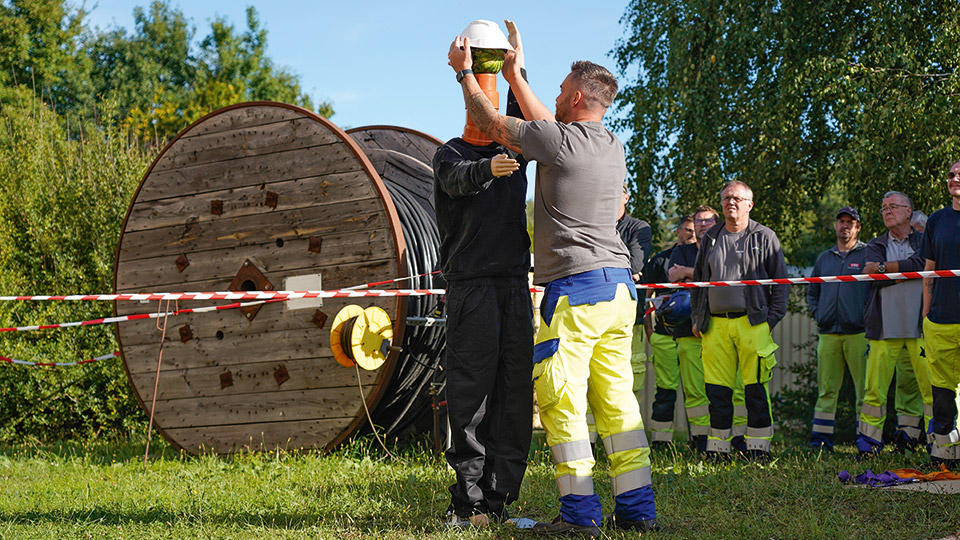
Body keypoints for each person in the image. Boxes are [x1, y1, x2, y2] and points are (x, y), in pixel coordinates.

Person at [448, 25, 659, 536]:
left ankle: (579, 518)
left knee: (563, 405)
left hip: (579, 293)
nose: (557, 96)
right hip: (619, 291)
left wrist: (463, 74)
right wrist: (517, 74)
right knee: (618, 407)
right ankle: (636, 512)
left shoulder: (557, 141)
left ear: (579, 96)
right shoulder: (610, 143)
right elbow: (548, 124)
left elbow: (491, 122)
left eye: (563, 89)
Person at [433, 19, 533, 527]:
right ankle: (467, 501)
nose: (493, 122)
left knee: (514, 395)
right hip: (470, 287)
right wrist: (483, 171)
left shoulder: (513, 147)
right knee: (471, 395)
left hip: (515, 287)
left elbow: (520, 113)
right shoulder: (450, 152)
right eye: (484, 109)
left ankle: (497, 500)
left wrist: (517, 63)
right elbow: (455, 182)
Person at [690, 181, 789, 462]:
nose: (730, 203)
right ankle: (718, 450)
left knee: (756, 389)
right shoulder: (709, 238)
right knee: (717, 391)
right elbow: (698, 282)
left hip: (753, 324)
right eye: (725, 199)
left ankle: (758, 449)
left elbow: (781, 283)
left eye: (736, 198)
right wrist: (698, 317)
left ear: (749, 204)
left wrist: (770, 320)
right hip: (715, 326)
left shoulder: (766, 237)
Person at [857, 191, 933, 458]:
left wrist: (887, 270)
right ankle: (868, 447)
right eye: (883, 207)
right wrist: (907, 273)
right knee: (874, 392)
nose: (887, 211)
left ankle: (939, 446)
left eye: (893, 206)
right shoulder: (875, 243)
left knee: (930, 390)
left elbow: (923, 264)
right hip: (883, 330)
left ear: (909, 211)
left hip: (920, 329)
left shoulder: (925, 239)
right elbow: (869, 274)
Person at [663, 205, 741, 453]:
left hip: (720, 325)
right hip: (687, 330)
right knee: (695, 390)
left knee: (731, 387)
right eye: (698, 221)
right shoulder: (681, 251)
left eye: (708, 221)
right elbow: (674, 277)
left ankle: (737, 439)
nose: (703, 225)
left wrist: (690, 274)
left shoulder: (727, 247)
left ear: (717, 224)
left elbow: (725, 275)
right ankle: (700, 440)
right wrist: (698, 274)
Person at [806, 206, 870, 451]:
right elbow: (812, 292)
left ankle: (865, 442)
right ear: (835, 225)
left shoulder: (867, 255)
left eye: (850, 222)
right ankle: (820, 443)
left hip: (859, 333)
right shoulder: (825, 258)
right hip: (828, 334)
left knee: (864, 392)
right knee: (826, 392)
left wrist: (866, 318)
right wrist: (818, 314)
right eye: (841, 221)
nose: (845, 226)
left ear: (858, 227)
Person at [643, 216, 696, 448]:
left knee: (697, 390)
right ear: (678, 232)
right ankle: (661, 443)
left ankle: (701, 441)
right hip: (663, 336)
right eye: (688, 230)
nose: (693, 234)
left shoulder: (703, 259)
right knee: (665, 390)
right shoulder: (660, 260)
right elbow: (644, 296)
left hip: (692, 335)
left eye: (696, 230)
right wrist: (649, 332)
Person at [921, 161, 960, 467]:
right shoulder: (936, 220)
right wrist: (925, 315)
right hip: (940, 320)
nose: (954, 178)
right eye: (950, 174)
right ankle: (944, 455)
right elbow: (929, 272)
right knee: (942, 391)